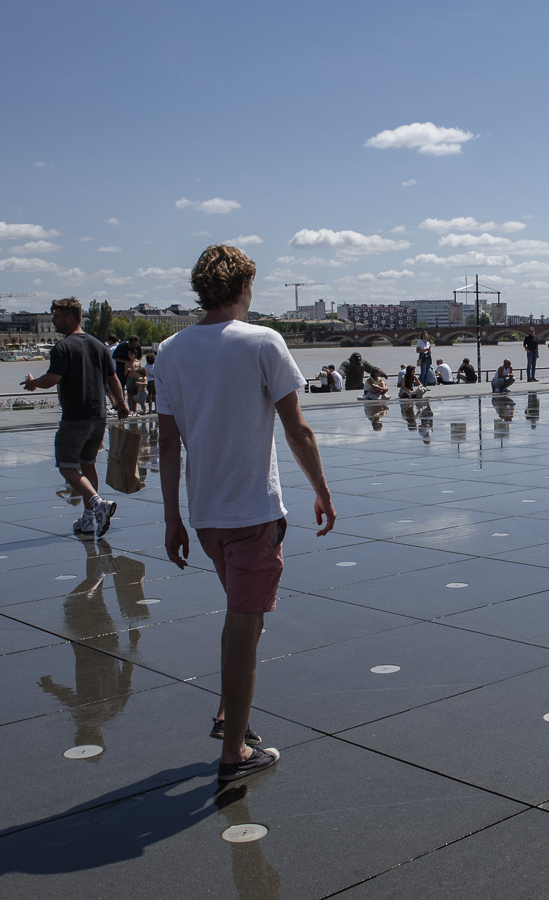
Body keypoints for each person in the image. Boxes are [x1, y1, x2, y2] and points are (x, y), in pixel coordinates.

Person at [154, 245, 336, 784]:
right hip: (253, 511)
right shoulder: (262, 341)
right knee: (243, 625)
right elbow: (297, 429)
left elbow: (167, 443)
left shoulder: (170, 350)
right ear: (243, 288)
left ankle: (227, 713)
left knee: (245, 618)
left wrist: (172, 518)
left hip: (207, 516)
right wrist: (322, 490)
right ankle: (234, 753)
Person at [21, 297, 131, 537]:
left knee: (66, 466)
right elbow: (113, 379)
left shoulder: (63, 347)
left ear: (70, 317)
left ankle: (97, 503)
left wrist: (32, 383)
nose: (53, 320)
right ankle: (89, 519)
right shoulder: (99, 345)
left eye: (57, 316)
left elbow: (52, 379)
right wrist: (121, 404)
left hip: (75, 417)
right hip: (98, 415)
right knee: (88, 464)